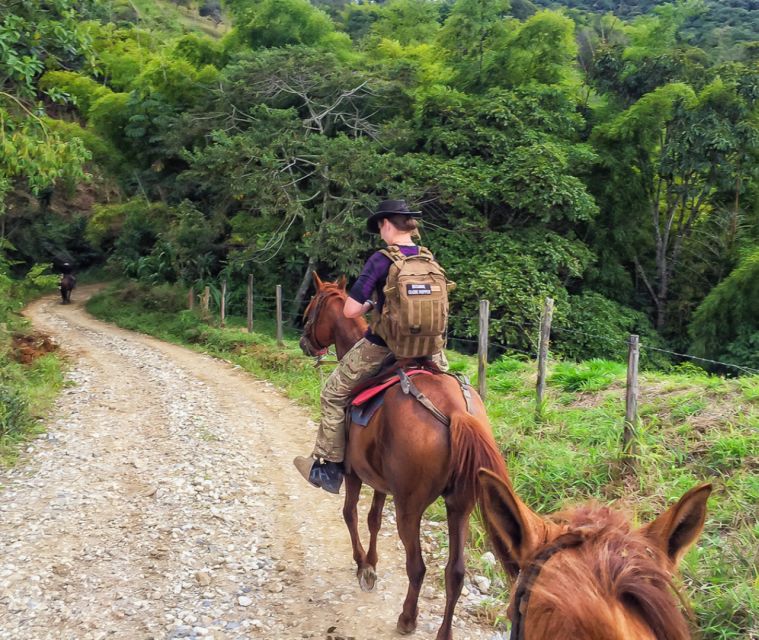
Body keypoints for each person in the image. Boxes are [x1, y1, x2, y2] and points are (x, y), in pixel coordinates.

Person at [293, 200, 449, 494]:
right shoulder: (428, 258)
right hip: (430, 347)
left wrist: (369, 303)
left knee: (333, 392)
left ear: (387, 224)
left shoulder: (380, 259)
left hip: (386, 345)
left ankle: (327, 467)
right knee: (453, 388)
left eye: (380, 228)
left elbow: (351, 311)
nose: (380, 234)